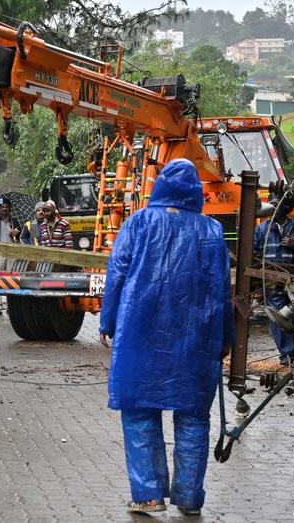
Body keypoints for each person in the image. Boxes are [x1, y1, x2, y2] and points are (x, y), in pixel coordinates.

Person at [98, 159, 233, 517]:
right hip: (196, 338)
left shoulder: (137, 224)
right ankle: (188, 497)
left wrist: (107, 322)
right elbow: (222, 290)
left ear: (159, 185)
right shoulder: (211, 231)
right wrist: (226, 339)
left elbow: (117, 276)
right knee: (193, 417)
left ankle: (148, 495)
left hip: (139, 333)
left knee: (140, 412)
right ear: (195, 190)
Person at [253, 192, 294, 367]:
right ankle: (287, 354)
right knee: (276, 314)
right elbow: (253, 253)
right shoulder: (261, 230)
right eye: (271, 204)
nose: (273, 208)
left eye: (277, 204)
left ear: (286, 208)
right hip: (272, 279)